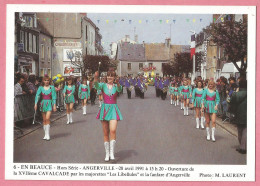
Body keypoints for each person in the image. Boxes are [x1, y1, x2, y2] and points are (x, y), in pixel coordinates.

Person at [94, 70, 123, 162]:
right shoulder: (102, 85)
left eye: (112, 76)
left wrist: (118, 82)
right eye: (108, 76)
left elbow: (119, 90)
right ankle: (107, 153)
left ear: (114, 77)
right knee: (106, 133)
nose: (110, 77)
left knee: (113, 130)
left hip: (113, 109)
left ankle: (112, 153)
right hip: (105, 109)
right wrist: (95, 77)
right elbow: (96, 86)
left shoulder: (116, 86)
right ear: (106, 77)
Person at [34, 76, 57, 140]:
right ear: (43, 81)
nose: (46, 81)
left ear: (49, 81)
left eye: (47, 80)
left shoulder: (52, 87)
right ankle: (45, 134)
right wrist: (35, 104)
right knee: (44, 120)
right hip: (43, 104)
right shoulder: (40, 87)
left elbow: (54, 96)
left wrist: (54, 105)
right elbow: (37, 96)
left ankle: (48, 134)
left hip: (49, 103)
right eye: (45, 80)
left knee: (47, 118)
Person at [230, 78, 247, 154]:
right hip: (247, 113)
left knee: (240, 131)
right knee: (245, 130)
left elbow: (231, 102)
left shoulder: (236, 94)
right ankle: (244, 147)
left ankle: (242, 147)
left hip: (239, 113)